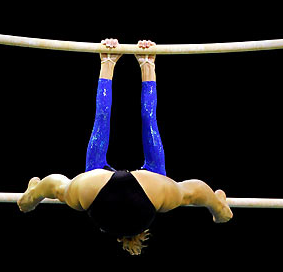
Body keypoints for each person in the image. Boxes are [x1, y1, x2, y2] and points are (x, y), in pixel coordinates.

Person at [17, 39, 233, 255]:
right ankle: (108, 62)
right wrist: (36, 194)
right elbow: (54, 184)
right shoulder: (97, 211)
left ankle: (147, 64)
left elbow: (196, 190)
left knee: (183, 182)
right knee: (61, 185)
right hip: (96, 198)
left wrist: (215, 206)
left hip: (147, 198)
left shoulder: (154, 206)